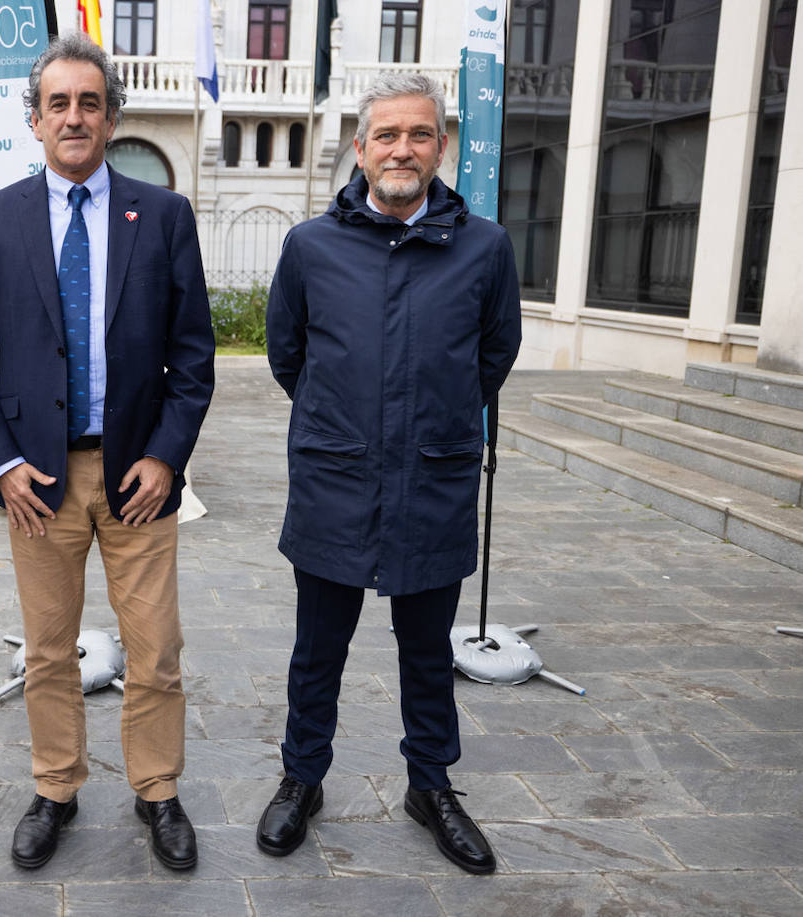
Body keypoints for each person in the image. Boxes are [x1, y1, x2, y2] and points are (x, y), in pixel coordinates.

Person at [0, 34, 215, 871]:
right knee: (48, 649)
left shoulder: (163, 215)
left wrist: (168, 457)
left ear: (110, 118)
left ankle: (157, 789)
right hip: (37, 482)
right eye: (57, 103)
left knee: (155, 649)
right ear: (34, 120)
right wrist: (0, 465)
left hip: (137, 474)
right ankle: (56, 787)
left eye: (88, 102)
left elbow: (194, 355)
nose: (73, 116)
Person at [257, 72, 521, 874]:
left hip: (434, 483)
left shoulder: (486, 247)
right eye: (386, 135)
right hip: (335, 483)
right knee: (317, 650)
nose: (401, 148)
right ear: (361, 150)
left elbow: (493, 356)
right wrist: (347, 424)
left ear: (440, 146)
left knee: (426, 650)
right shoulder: (311, 247)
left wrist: (432, 425)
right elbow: (287, 354)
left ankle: (431, 785)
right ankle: (302, 778)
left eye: (418, 134)